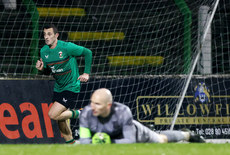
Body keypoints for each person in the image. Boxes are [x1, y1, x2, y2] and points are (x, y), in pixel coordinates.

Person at [79, 88, 205, 144]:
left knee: (161, 140)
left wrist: (107, 142)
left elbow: (130, 141)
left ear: (108, 105)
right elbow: (84, 141)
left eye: (97, 104)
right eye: (91, 102)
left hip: (137, 134)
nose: (92, 106)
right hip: (113, 139)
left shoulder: (123, 111)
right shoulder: (86, 113)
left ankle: (187, 135)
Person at [36, 24, 92, 144]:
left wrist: (86, 73)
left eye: (49, 34)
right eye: (44, 34)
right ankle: (70, 144)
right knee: (60, 119)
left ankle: (81, 113)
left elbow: (88, 52)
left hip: (71, 85)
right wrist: (41, 69)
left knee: (53, 114)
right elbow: (48, 71)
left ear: (56, 35)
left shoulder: (67, 47)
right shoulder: (43, 51)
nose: (46, 37)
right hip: (59, 87)